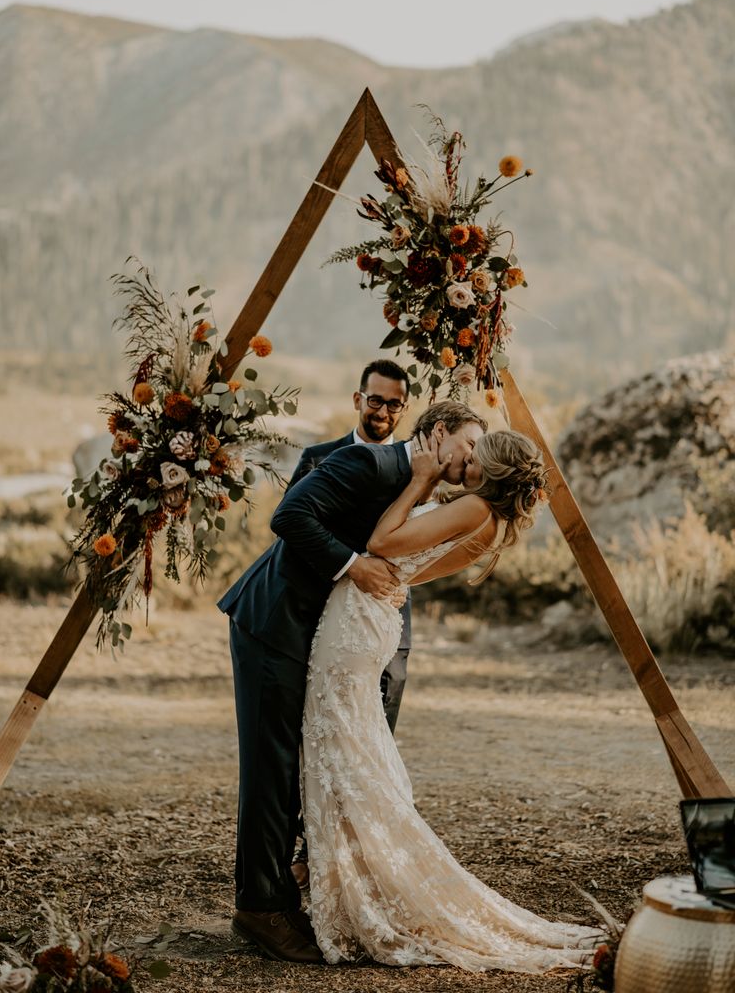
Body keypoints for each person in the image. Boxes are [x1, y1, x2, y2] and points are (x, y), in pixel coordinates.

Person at [299, 425, 603, 972]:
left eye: (475, 452)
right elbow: (410, 570)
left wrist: (417, 481)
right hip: (373, 617)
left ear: (489, 470)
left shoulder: (475, 511)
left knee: (343, 756)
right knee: (349, 757)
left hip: (356, 625)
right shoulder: (487, 518)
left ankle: (365, 889)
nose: (466, 455)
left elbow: (381, 545)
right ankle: (346, 879)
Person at [218, 400, 487, 964]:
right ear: (438, 434)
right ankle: (260, 909)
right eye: (467, 444)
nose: (472, 457)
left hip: (313, 635)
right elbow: (289, 517)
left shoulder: (425, 487)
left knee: (294, 762)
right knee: (272, 765)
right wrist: (352, 565)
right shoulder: (366, 464)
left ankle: (279, 893)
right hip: (273, 622)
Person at [287, 359, 413, 891]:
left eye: (393, 403)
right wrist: (346, 571)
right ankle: (306, 849)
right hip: (325, 615)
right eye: (375, 400)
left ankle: (362, 851)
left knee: (375, 727)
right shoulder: (318, 458)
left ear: (404, 410)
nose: (382, 410)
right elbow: (293, 534)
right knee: (316, 733)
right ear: (357, 399)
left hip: (385, 618)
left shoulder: (413, 471)